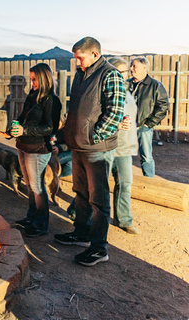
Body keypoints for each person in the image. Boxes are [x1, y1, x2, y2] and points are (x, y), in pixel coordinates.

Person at [54, 37, 125, 266]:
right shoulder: (80, 74)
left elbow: (114, 112)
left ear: (95, 54)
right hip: (79, 145)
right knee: (81, 193)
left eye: (80, 58)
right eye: (76, 58)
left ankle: (99, 248)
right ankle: (81, 234)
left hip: (96, 149)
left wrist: (93, 137)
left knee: (99, 200)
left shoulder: (110, 75)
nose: (77, 62)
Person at [11, 63, 62, 237]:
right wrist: (12, 129)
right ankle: (31, 218)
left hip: (38, 148)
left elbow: (51, 128)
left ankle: (41, 224)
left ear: (44, 78)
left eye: (34, 79)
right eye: (31, 79)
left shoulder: (52, 100)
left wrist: (25, 130)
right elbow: (21, 117)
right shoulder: (32, 96)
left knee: (37, 186)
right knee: (30, 186)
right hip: (23, 146)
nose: (31, 82)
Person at [106, 57, 140, 234]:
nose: (123, 75)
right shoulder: (106, 92)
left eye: (124, 72)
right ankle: (77, 211)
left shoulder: (128, 92)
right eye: (119, 72)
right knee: (98, 184)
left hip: (125, 147)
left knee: (125, 183)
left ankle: (124, 220)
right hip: (108, 145)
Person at [128, 56, 169, 177]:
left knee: (146, 156)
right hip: (126, 127)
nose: (131, 69)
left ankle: (149, 182)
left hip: (143, 127)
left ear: (144, 67)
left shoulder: (155, 86)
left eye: (134, 66)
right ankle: (124, 182)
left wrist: (148, 124)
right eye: (131, 66)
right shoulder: (127, 84)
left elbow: (163, 107)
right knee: (123, 157)